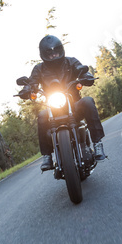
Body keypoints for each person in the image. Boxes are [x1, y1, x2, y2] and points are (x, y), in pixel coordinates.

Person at [20, 35, 106, 171]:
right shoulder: (39, 69)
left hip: (75, 106)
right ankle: (47, 156)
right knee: (42, 115)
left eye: (56, 52)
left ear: (61, 50)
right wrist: (26, 90)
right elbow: (32, 82)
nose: (54, 55)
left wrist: (86, 76)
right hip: (52, 110)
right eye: (50, 53)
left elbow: (82, 70)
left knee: (88, 101)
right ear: (43, 54)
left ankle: (97, 143)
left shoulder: (70, 62)